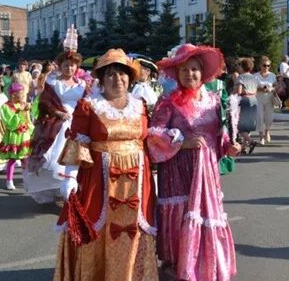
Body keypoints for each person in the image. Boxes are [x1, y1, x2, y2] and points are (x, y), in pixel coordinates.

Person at [52, 49, 158, 280]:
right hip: (98, 180)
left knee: (136, 229)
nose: (117, 79)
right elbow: (78, 141)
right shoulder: (89, 106)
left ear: (130, 78)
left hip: (138, 181)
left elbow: (149, 140)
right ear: (100, 79)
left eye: (122, 74)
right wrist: (70, 177)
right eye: (110, 74)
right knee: (98, 226)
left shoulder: (141, 105)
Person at [149, 43, 241, 281]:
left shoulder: (213, 100)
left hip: (206, 167)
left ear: (202, 73)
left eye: (194, 69)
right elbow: (154, 133)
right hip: (178, 168)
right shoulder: (168, 102)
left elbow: (219, 135)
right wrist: (181, 143)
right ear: (177, 74)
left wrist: (230, 146)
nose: (189, 74)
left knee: (205, 211)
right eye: (184, 70)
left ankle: (206, 263)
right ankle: (177, 264)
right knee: (181, 213)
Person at [25, 51, 86, 203]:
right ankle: (57, 188)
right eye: (66, 65)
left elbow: (87, 102)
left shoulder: (82, 84)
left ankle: (73, 188)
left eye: (72, 65)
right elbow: (44, 102)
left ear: (76, 67)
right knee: (54, 158)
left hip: (78, 121)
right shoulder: (53, 82)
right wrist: (58, 112)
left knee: (77, 154)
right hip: (57, 122)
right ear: (60, 66)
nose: (69, 68)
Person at [0, 83, 34, 190]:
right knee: (12, 159)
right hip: (13, 136)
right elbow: (10, 123)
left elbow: (28, 120)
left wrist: (32, 130)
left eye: (23, 93)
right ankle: (9, 180)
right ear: (13, 94)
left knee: (25, 159)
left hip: (24, 135)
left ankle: (26, 180)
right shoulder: (6, 106)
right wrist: (19, 111)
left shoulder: (25, 105)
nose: (23, 96)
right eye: (20, 93)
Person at [236, 57, 259, 153]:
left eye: (239, 66)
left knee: (240, 126)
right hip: (254, 99)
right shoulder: (254, 77)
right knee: (248, 124)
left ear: (242, 67)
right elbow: (256, 91)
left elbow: (239, 91)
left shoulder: (241, 77)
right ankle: (244, 147)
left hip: (245, 99)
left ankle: (251, 141)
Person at [254, 56, 276, 145]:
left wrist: (271, 89)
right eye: (264, 65)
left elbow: (276, 86)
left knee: (269, 118)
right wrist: (261, 89)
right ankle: (261, 136)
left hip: (269, 98)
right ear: (260, 66)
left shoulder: (272, 75)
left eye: (268, 65)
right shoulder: (255, 76)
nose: (266, 67)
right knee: (259, 117)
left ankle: (267, 131)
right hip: (258, 98)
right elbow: (252, 88)